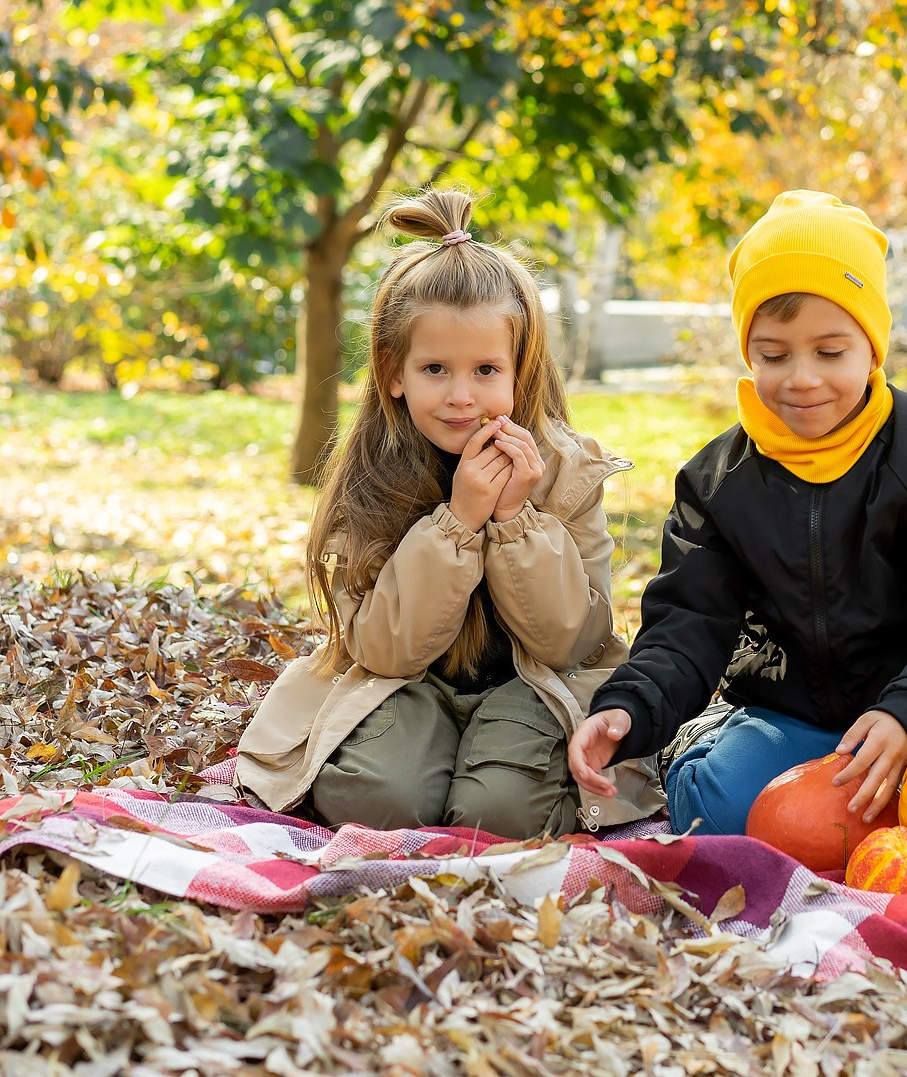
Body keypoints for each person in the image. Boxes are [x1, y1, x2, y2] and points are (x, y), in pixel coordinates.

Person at [566, 190, 907, 838]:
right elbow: (688, 625)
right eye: (775, 355)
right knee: (717, 811)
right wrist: (627, 706)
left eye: (830, 351)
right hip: (791, 715)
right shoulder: (719, 482)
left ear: (873, 346)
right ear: (749, 352)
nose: (802, 378)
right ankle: (703, 745)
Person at [234, 188, 661, 838]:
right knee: (374, 798)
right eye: (435, 368)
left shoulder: (568, 470)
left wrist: (516, 521)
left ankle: (482, 773)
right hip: (405, 682)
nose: (462, 396)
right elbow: (383, 649)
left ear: (521, 371)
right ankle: (435, 766)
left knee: (502, 813)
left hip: (534, 682)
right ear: (394, 370)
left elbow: (572, 641)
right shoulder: (369, 477)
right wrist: (458, 524)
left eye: (486, 368)